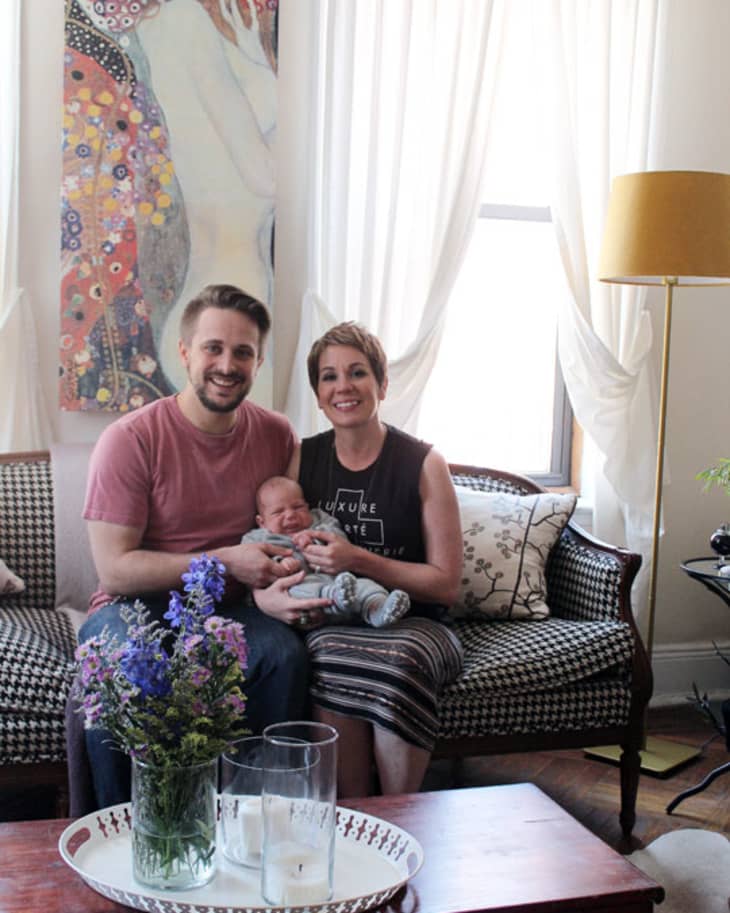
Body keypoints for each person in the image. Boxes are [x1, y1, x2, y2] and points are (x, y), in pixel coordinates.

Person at [77, 284, 330, 808]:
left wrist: (278, 587)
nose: (227, 364)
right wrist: (221, 560)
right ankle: (119, 829)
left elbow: (287, 537)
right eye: (213, 348)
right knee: (117, 661)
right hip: (134, 607)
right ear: (186, 352)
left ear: (259, 361)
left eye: (243, 352)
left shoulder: (278, 436)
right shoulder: (131, 439)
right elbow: (115, 570)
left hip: (232, 611)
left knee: (282, 656)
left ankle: (256, 823)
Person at [287, 322, 464, 797]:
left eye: (357, 372)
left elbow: (446, 584)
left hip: (418, 623)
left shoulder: (424, 463)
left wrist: (357, 560)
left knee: (398, 660)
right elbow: (276, 542)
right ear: (318, 395)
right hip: (338, 618)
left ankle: (400, 812)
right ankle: (355, 818)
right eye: (329, 377)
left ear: (382, 385)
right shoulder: (301, 460)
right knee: (326, 653)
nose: (343, 386)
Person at [243, 476, 411, 627]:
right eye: (278, 512)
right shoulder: (258, 538)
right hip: (305, 592)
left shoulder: (319, 519)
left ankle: (378, 609)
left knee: (366, 586)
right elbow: (253, 566)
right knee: (295, 591)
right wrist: (279, 564)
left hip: (342, 582)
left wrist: (315, 537)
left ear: (308, 507)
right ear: (261, 521)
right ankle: (335, 597)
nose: (290, 516)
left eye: (298, 507)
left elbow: (339, 538)